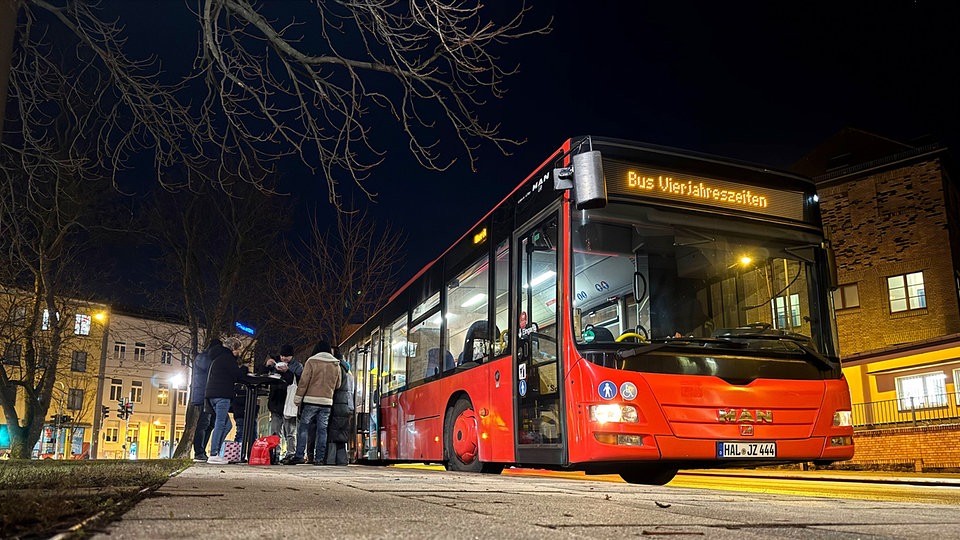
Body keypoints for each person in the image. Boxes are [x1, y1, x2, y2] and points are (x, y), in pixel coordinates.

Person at [286, 339, 341, 465]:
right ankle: (319, 458)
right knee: (322, 430)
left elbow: (304, 382)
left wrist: (298, 398)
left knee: (304, 428)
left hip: (310, 400)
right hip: (327, 401)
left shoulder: (311, 361)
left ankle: (299, 455)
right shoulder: (335, 363)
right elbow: (338, 384)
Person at [204, 337, 246, 464]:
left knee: (227, 424)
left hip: (213, 394)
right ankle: (213, 453)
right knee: (220, 423)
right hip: (222, 395)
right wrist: (244, 368)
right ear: (233, 348)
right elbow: (238, 375)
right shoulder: (228, 358)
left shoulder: (218, 357)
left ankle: (216, 452)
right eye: (238, 350)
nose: (239, 353)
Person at [265, 345, 303, 462]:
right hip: (276, 401)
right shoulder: (275, 364)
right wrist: (267, 366)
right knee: (275, 431)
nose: (284, 358)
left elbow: (298, 382)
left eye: (287, 356)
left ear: (292, 356)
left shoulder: (298, 366)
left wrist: (287, 372)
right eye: (282, 356)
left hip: (289, 402)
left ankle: (290, 453)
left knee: (290, 431)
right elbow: (263, 375)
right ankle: (274, 454)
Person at [325, 347, 355, 465]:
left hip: (336, 402)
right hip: (346, 404)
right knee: (342, 432)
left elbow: (334, 386)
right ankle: (342, 460)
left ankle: (331, 460)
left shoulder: (336, 368)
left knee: (333, 432)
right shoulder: (348, 370)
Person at [190, 339, 218, 462]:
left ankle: (201, 451)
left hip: (207, 393)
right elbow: (209, 370)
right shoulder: (204, 358)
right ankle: (199, 451)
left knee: (210, 424)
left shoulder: (205, 357)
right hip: (204, 395)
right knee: (204, 423)